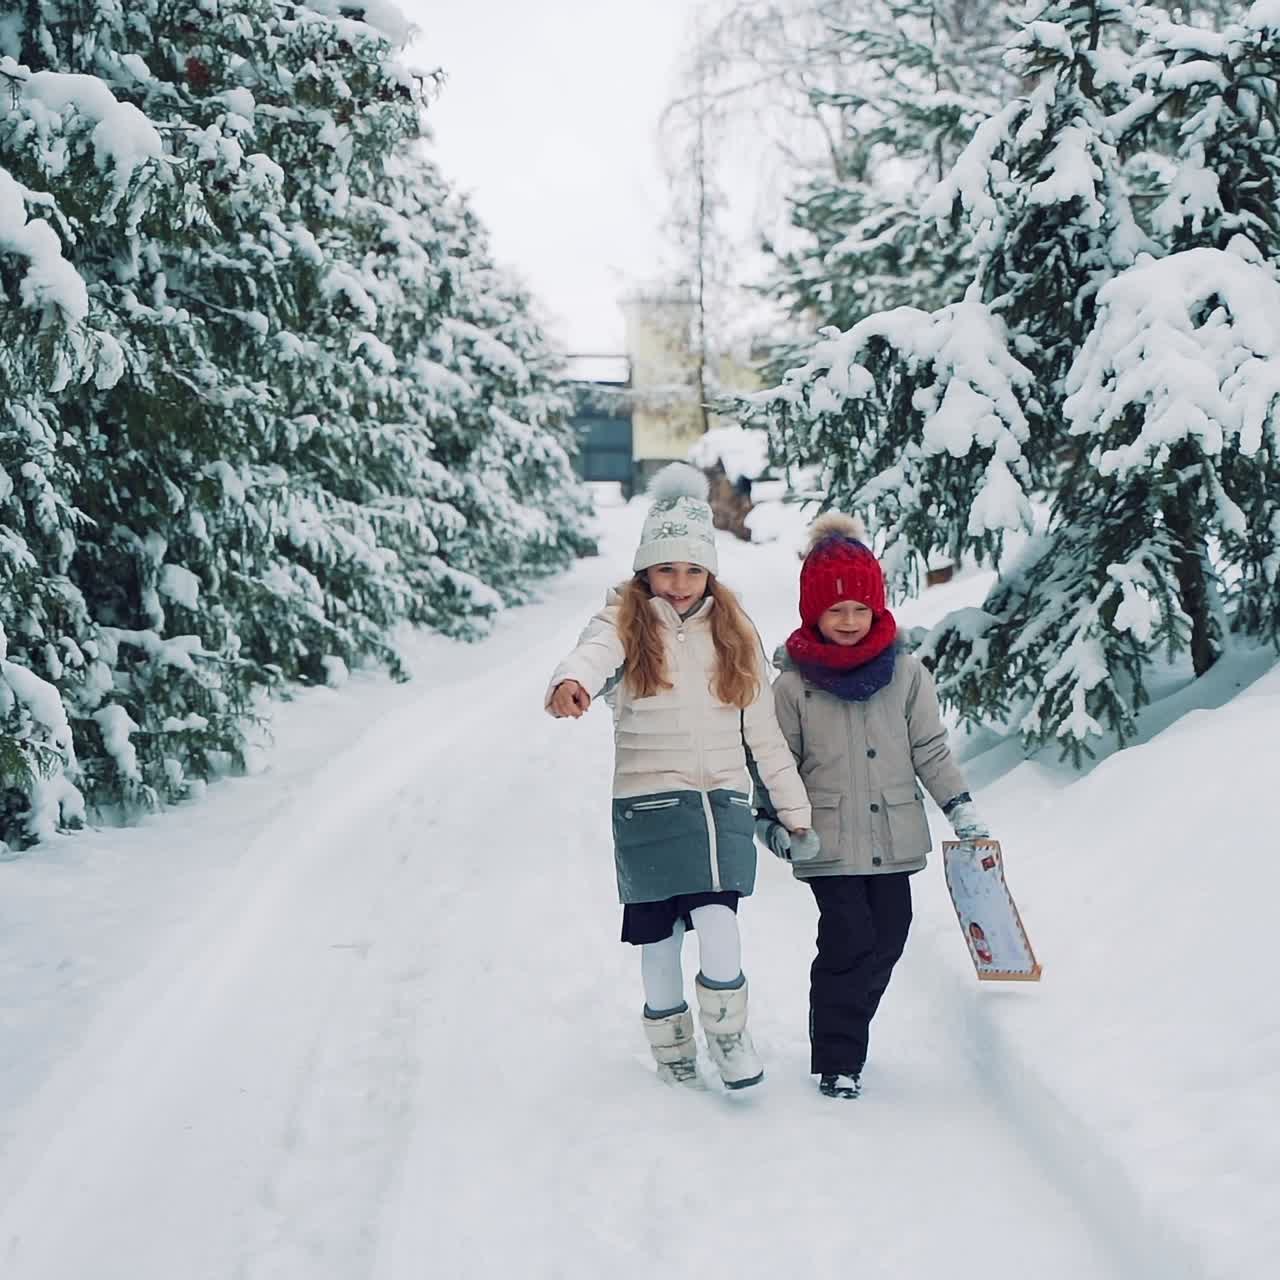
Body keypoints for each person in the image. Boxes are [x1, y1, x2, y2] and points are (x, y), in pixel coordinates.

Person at [546, 463, 817, 1090]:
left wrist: (793, 808)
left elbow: (764, 733)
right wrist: (572, 683)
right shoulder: (624, 619)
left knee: (719, 918)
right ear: (645, 569)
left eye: (693, 570)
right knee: (659, 936)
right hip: (646, 801)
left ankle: (727, 1035)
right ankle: (670, 1042)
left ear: (711, 573)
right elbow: (591, 653)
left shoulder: (736, 631)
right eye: (666, 569)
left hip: (719, 799)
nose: (679, 583)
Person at [754, 512, 992, 1099]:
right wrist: (777, 830)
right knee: (848, 938)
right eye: (836, 611)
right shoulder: (792, 686)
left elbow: (929, 749)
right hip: (826, 840)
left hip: (893, 837)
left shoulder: (906, 674)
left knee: (890, 936)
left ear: (877, 608)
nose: (850, 621)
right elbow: (772, 765)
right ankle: (838, 1057)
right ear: (814, 611)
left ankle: (844, 1026)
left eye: (860, 609)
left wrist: (958, 805)